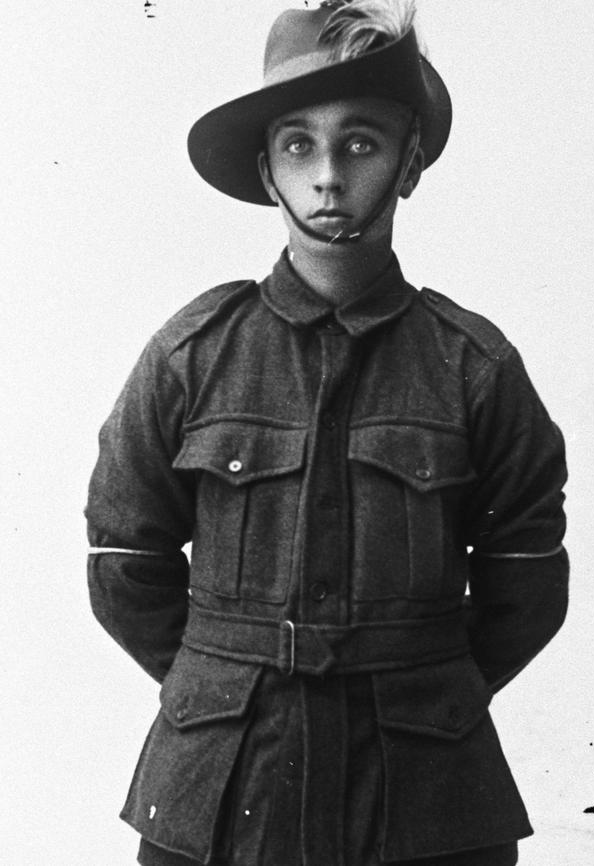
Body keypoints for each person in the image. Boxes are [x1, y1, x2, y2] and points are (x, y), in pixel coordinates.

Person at [85, 2, 569, 865]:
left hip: (426, 804)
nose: (328, 176)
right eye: (299, 144)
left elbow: (527, 586)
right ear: (267, 171)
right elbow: (124, 561)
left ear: (411, 161)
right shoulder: (192, 354)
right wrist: (221, 690)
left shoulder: (475, 368)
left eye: (362, 142)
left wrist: (424, 698)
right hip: (222, 793)